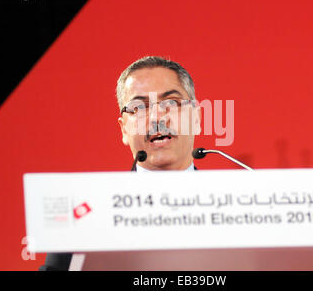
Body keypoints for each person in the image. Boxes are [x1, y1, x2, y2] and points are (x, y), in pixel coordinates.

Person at [39, 56, 201, 270]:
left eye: (171, 103)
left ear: (197, 119)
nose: (156, 117)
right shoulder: (88, 215)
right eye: (139, 107)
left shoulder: (236, 208)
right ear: (124, 129)